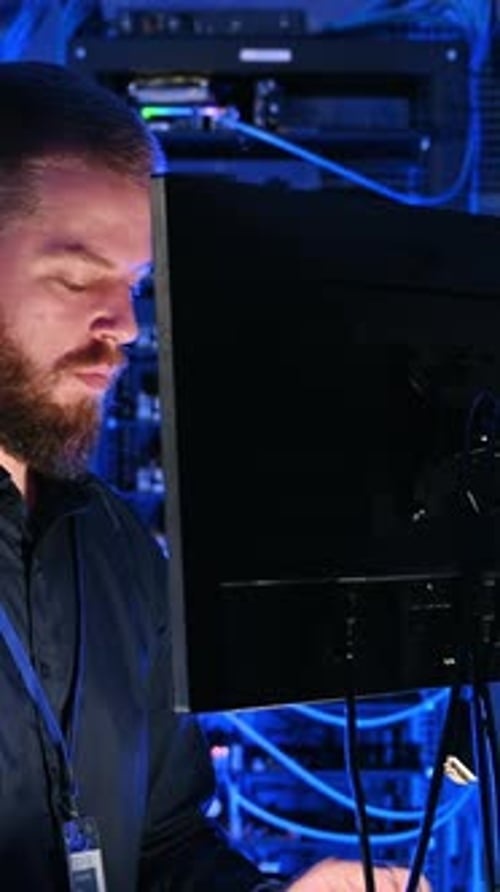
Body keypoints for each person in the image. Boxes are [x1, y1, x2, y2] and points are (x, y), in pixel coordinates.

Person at [0, 61, 431, 891]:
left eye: (134, 287)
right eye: (78, 277)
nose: (125, 327)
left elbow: (163, 847)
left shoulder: (116, 547)